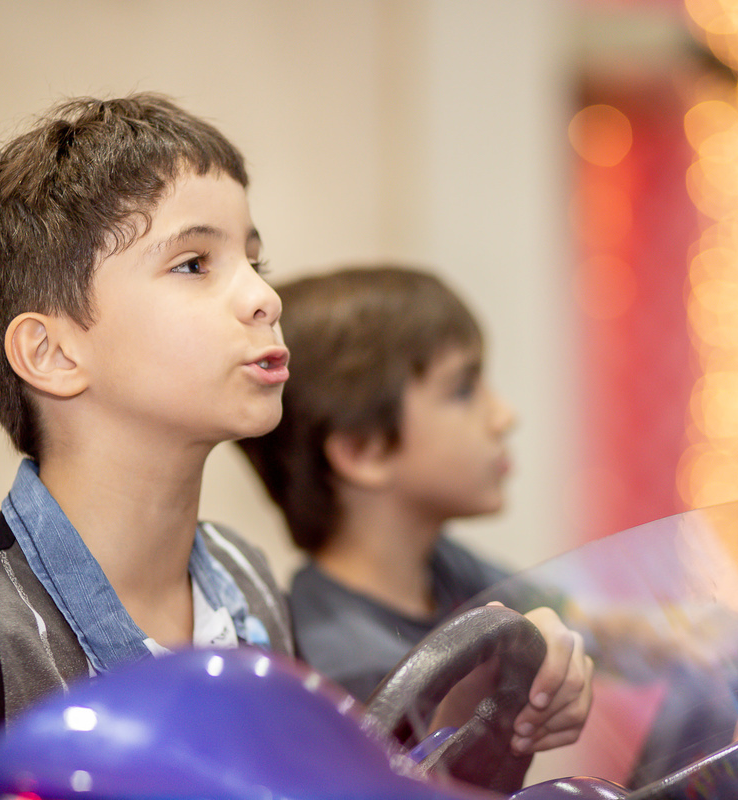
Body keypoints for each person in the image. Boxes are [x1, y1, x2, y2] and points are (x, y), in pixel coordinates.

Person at [0, 97, 586, 799]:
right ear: (52, 354)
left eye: (255, 261)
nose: (265, 297)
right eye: (194, 264)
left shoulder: (245, 583)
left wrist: (480, 716)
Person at [238, 265, 593, 754]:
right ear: (365, 450)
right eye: (463, 390)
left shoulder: (440, 565)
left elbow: (581, 617)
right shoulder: (352, 674)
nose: (504, 417)